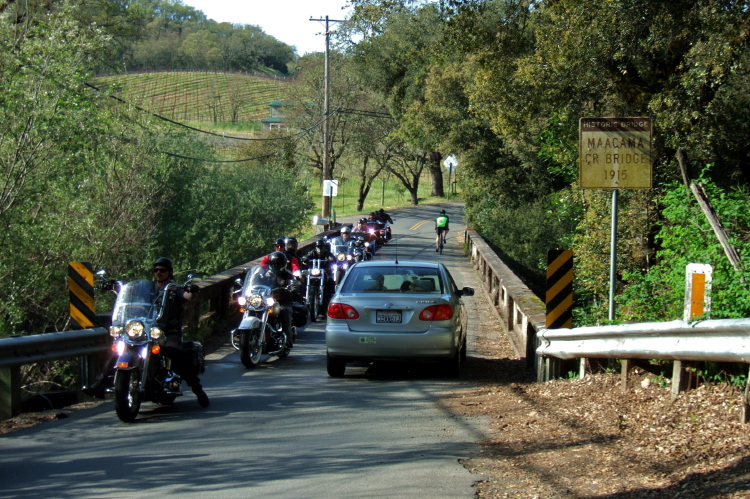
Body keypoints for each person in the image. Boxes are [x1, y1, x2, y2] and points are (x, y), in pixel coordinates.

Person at [153, 257, 209, 408]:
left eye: (162, 270)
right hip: (148, 331)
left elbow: (187, 296)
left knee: (177, 353)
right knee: (120, 348)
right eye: (156, 270)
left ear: (169, 272)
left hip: (169, 332)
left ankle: (199, 392)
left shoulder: (174, 289)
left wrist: (192, 291)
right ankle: (100, 384)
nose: (159, 273)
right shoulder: (150, 289)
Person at [264, 251, 298, 347]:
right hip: (267, 301)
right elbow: (256, 282)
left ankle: (288, 340)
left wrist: (292, 287)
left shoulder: (287, 274)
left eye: (277, 264)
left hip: (283, 302)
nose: (275, 266)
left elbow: (293, 284)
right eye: (273, 264)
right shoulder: (266, 274)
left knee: (284, 311)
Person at [300, 239, 336, 312]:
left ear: (324, 247)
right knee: (304, 280)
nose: (320, 248)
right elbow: (304, 257)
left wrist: (330, 260)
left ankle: (330, 297)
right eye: (318, 247)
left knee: (331, 281)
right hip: (314, 272)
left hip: (324, 272)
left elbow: (333, 258)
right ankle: (303, 296)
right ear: (316, 247)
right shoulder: (312, 252)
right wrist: (305, 259)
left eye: (321, 247)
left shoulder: (327, 254)